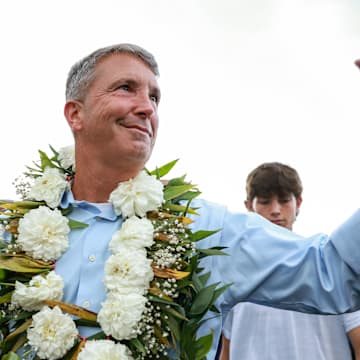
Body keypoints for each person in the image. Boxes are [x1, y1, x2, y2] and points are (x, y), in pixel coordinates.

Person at [3, 44, 360, 359]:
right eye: (126, 88)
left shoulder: (200, 226)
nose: (146, 107)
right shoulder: (13, 235)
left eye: (154, 98)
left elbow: (330, 271)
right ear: (75, 114)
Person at [220, 162, 360, 360]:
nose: (275, 210)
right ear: (249, 206)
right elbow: (225, 351)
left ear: (299, 203)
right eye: (265, 201)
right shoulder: (231, 274)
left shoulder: (327, 267)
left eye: (284, 200)